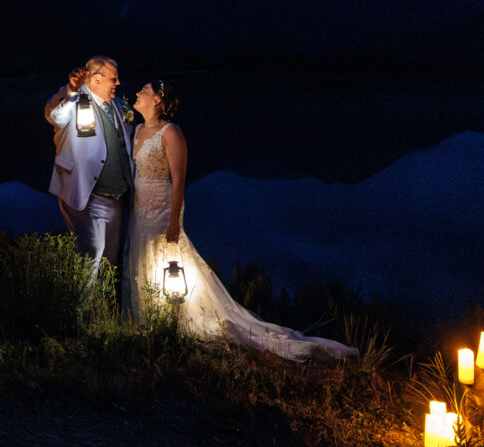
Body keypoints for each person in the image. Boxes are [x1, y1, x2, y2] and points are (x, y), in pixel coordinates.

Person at [124, 80, 358, 363]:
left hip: (162, 211)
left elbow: (179, 181)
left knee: (167, 264)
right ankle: (149, 319)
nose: (138, 93)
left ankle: (175, 320)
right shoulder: (136, 130)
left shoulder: (171, 132)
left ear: (158, 101)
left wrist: (174, 222)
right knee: (142, 263)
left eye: (145, 92)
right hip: (140, 213)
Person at [45, 56, 134, 276]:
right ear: (95, 79)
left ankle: (102, 308)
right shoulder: (74, 99)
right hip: (85, 193)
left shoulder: (117, 104)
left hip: (115, 197)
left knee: (108, 262)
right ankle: (81, 308)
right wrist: (72, 91)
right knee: (90, 254)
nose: (118, 83)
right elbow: (54, 116)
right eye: (114, 79)